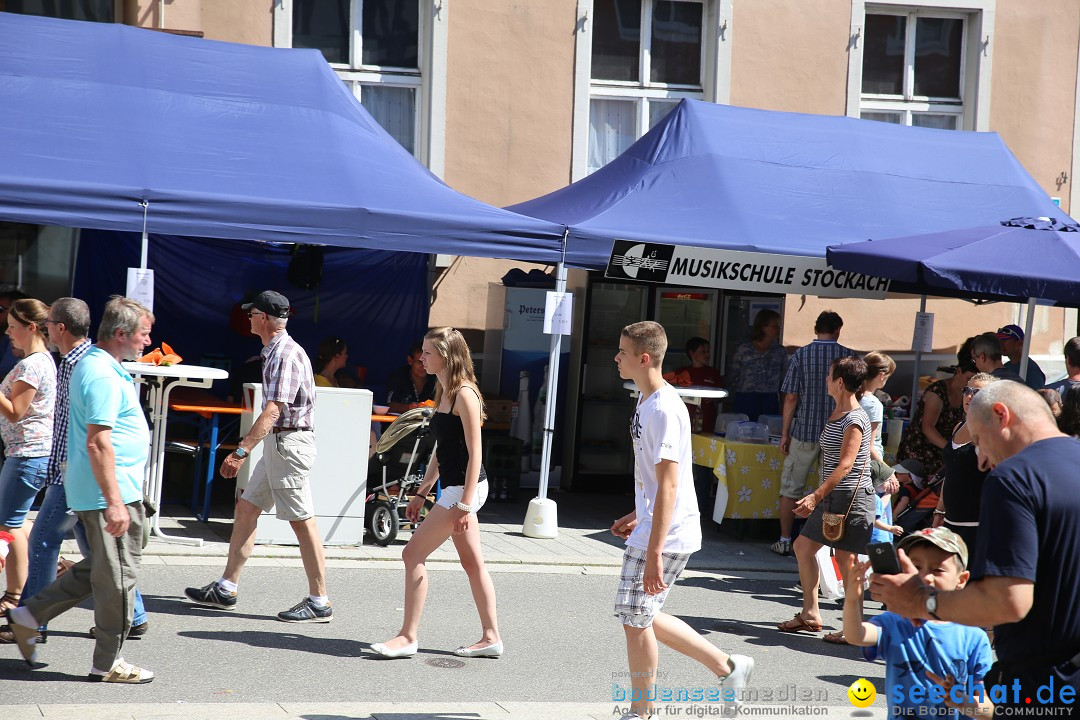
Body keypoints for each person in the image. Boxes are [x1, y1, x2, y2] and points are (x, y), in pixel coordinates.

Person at [870, 381, 1080, 713]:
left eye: (979, 441)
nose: (981, 462)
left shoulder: (1014, 478)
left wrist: (921, 600)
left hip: (1043, 682)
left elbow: (1009, 602)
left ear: (1001, 415)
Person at [6, 296, 155, 683]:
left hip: (106, 488)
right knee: (118, 578)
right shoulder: (101, 373)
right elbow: (98, 442)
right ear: (121, 334)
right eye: (144, 334)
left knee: (103, 569)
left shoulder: (101, 366)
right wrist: (116, 503)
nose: (148, 341)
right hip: (108, 491)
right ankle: (107, 662)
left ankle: (28, 616)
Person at [608, 321, 752, 718]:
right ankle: (728, 667)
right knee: (639, 614)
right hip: (656, 525)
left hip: (666, 533)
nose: (616, 357)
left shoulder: (664, 409)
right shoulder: (646, 399)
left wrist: (653, 549)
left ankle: (642, 711)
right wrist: (638, 512)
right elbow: (659, 483)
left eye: (622, 351)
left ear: (643, 357)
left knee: (635, 618)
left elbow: (670, 486)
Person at [184, 290, 331, 623]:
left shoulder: (285, 354)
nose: (247, 318)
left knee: (302, 521)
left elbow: (273, 411)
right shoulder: (276, 351)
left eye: (251, 314)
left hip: (289, 445)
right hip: (281, 445)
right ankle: (226, 587)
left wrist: (240, 451)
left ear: (263, 318)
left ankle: (320, 600)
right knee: (247, 508)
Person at [371, 327, 502, 659]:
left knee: (411, 554)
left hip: (467, 488)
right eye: (421, 353)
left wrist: (464, 505)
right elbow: (443, 450)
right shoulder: (444, 390)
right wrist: (422, 491)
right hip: (457, 487)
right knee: (472, 564)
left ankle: (407, 637)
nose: (421, 358)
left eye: (427, 353)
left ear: (446, 356)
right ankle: (491, 638)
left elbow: (475, 455)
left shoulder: (465, 395)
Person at [843, 528, 994, 718]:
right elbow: (856, 635)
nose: (925, 576)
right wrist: (851, 598)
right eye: (915, 567)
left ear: (961, 580)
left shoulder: (974, 636)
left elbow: (988, 711)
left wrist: (962, 701)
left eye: (937, 570)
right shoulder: (894, 621)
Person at [777, 356, 874, 645]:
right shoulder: (837, 412)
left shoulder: (855, 418)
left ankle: (854, 629)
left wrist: (815, 495)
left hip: (851, 500)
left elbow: (846, 465)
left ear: (840, 382)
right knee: (802, 546)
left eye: (829, 376)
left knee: (847, 562)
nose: (826, 380)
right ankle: (810, 613)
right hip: (833, 497)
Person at [773, 310, 854, 556]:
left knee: (791, 488)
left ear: (816, 328)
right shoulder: (848, 356)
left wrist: (785, 432)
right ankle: (826, 545)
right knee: (829, 490)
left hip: (804, 431)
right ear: (838, 330)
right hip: (838, 433)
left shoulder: (801, 354)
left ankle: (785, 539)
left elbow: (790, 397)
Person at [0, 298, 55, 615]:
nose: (8, 332)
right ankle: (57, 567)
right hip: (29, 452)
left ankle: (14, 596)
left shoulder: (32, 365)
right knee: (16, 523)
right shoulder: (42, 360)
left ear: (31, 327)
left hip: (27, 454)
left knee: (7, 525)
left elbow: (16, 412)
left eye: (12, 326)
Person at [931, 373, 998, 552]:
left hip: (977, 524)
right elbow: (951, 471)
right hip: (951, 521)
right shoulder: (958, 427)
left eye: (977, 392)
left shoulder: (992, 433)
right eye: (967, 390)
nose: (969, 396)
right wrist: (939, 509)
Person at [896, 338, 977, 480]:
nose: (969, 384)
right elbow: (927, 428)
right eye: (967, 378)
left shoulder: (968, 394)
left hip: (942, 448)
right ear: (958, 372)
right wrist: (950, 449)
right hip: (921, 448)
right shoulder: (937, 391)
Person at [727, 309, 787, 422]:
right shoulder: (744, 349)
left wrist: (783, 408)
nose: (778, 328)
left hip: (769, 400)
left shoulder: (780, 352)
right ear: (763, 327)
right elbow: (732, 375)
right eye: (775, 325)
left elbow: (784, 382)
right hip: (746, 399)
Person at [858, 351, 895, 484]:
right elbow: (869, 445)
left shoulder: (853, 396)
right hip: (868, 468)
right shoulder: (873, 404)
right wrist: (888, 473)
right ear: (881, 376)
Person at [675, 336, 724, 433]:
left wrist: (713, 397)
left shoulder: (713, 373)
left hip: (707, 420)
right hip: (684, 419)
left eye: (708, 351)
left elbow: (721, 396)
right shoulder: (681, 372)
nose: (707, 355)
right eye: (703, 352)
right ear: (692, 353)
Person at [385, 341, 436, 415]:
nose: (424, 366)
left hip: (428, 423)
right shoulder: (398, 377)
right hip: (401, 424)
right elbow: (389, 406)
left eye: (427, 361)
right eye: (419, 362)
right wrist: (408, 407)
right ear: (410, 360)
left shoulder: (436, 379)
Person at [997, 324, 1046, 390]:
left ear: (1019, 343)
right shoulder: (1006, 366)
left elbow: (1038, 396)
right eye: (999, 340)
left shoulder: (1030, 370)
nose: (1001, 343)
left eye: (1004, 340)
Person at [0, 291, 29, 380]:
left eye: (0, 309)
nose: (8, 332)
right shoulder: (6, 338)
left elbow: (4, 371)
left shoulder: (31, 363)